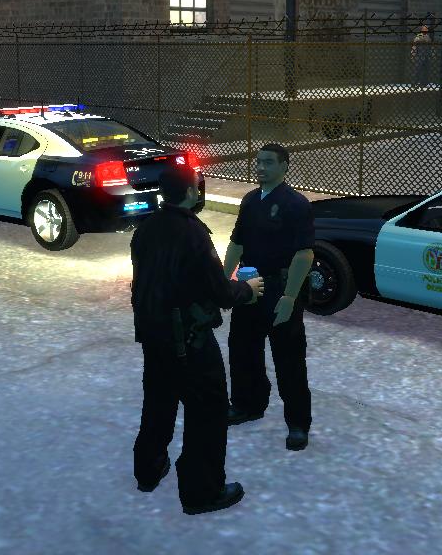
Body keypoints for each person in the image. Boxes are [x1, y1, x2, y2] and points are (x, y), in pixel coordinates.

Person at [129, 163, 266, 515]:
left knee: (157, 405)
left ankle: (148, 471)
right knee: (208, 413)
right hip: (191, 341)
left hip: (155, 337)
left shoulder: (146, 228)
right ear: (191, 192)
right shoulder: (193, 233)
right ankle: (202, 493)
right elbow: (220, 292)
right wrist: (247, 289)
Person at [222, 143, 315, 451]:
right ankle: (247, 404)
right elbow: (236, 243)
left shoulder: (296, 204)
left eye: (268, 163)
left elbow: (304, 254)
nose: (261, 167)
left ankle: (298, 423)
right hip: (249, 286)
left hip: (279, 288)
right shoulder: (250, 200)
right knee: (242, 349)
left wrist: (289, 297)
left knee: (288, 358)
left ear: (284, 166)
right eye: (259, 162)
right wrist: (223, 280)